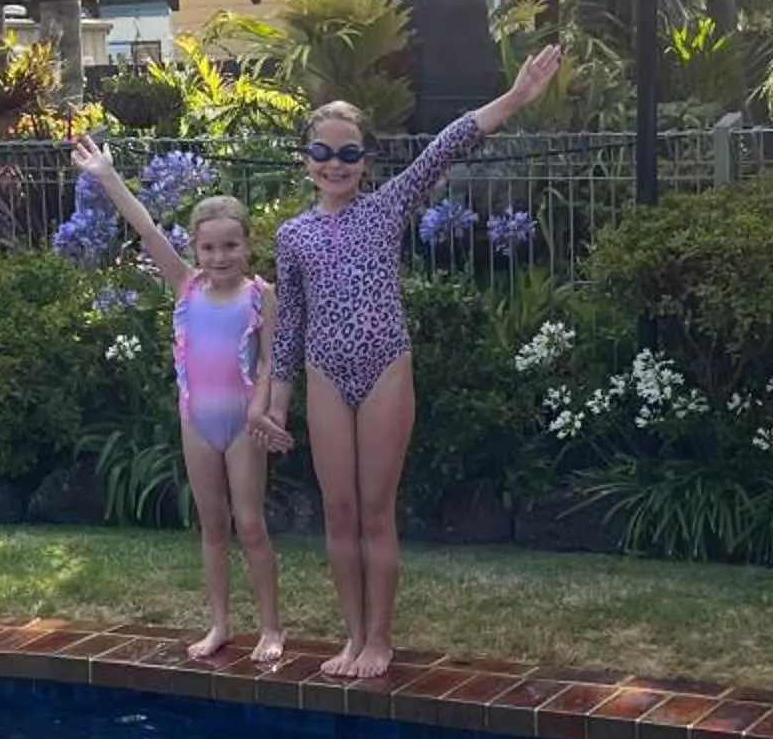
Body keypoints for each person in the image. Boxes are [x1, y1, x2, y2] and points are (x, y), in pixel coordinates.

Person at [251, 46, 566, 680]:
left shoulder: (387, 206)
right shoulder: (292, 236)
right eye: (322, 152)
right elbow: (289, 327)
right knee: (338, 512)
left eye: (348, 154)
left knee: (375, 510)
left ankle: (381, 639)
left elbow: (447, 146)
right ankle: (352, 636)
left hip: (385, 368)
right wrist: (275, 405)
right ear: (305, 159)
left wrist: (516, 98)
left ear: (367, 162)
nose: (334, 164)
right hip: (325, 374)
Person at [68, 136, 285, 664]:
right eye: (209, 248)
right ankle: (219, 624)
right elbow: (146, 229)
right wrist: (107, 177)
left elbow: (270, 363)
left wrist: (265, 411)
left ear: (247, 245)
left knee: (250, 524)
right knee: (212, 525)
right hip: (197, 422)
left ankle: (271, 628)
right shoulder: (186, 286)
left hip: (242, 424)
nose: (220, 257)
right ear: (195, 250)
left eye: (230, 246)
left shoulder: (261, 296)